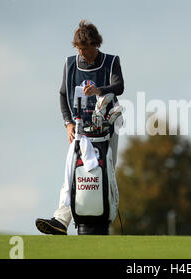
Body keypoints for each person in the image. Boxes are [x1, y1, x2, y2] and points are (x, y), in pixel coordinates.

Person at [35, 20, 124, 235]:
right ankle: (61, 219)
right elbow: (63, 94)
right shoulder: (70, 63)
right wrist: (67, 123)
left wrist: (98, 90)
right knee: (72, 173)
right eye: (78, 48)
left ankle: (105, 218)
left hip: (107, 128)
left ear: (96, 44)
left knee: (107, 173)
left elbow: (119, 86)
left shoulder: (111, 61)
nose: (81, 53)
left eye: (84, 48)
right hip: (80, 129)